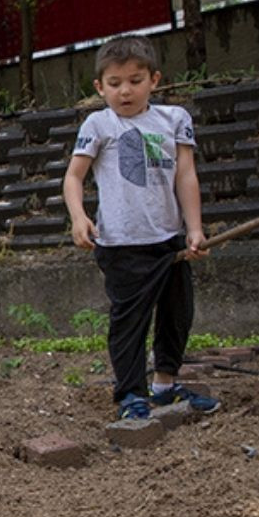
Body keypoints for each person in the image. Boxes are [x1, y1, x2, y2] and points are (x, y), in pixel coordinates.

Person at [63, 34, 219, 421]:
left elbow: (186, 175)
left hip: (168, 240)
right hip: (120, 243)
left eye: (135, 80)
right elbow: (73, 176)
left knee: (176, 313)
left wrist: (194, 229)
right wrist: (79, 216)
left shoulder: (174, 120)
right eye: (114, 84)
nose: (125, 91)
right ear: (100, 87)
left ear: (155, 79)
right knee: (129, 320)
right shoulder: (99, 123)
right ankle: (131, 393)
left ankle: (165, 385)